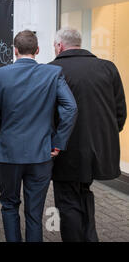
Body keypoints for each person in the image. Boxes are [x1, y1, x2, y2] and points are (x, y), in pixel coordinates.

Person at [0, 30, 78, 242]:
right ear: (37, 50)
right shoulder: (53, 73)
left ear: (14, 50)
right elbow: (70, 108)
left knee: (9, 206)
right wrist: (58, 142)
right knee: (34, 212)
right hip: (42, 154)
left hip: (9, 154)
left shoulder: (0, 75)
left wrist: (8, 130)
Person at [49, 27, 127, 242]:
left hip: (64, 152)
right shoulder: (107, 68)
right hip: (98, 152)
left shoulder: (51, 70)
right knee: (84, 193)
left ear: (59, 46)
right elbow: (120, 112)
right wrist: (105, 138)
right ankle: (90, 237)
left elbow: (46, 115)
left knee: (67, 201)